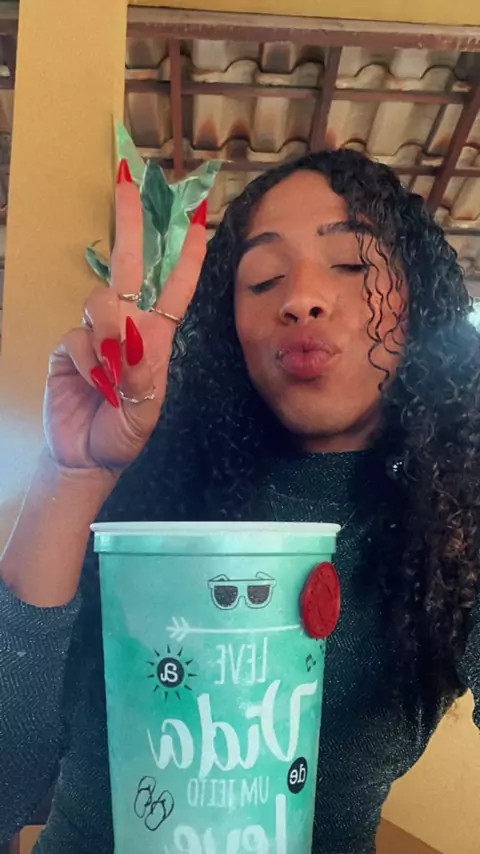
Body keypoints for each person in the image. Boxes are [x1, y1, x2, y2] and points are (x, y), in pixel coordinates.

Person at [1, 148, 479, 854]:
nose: (301, 298)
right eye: (263, 279)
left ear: (421, 304)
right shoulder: (151, 479)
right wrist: (72, 476)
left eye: (351, 264)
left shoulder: (452, 526)